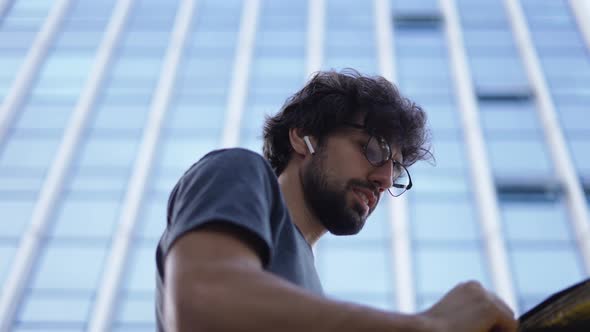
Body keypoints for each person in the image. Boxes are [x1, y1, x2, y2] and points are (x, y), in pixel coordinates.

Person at [155, 69, 517, 331]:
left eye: (396, 170)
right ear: (303, 139)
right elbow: (205, 303)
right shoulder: (238, 169)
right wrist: (428, 326)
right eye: (374, 150)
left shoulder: (309, 297)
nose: (384, 179)